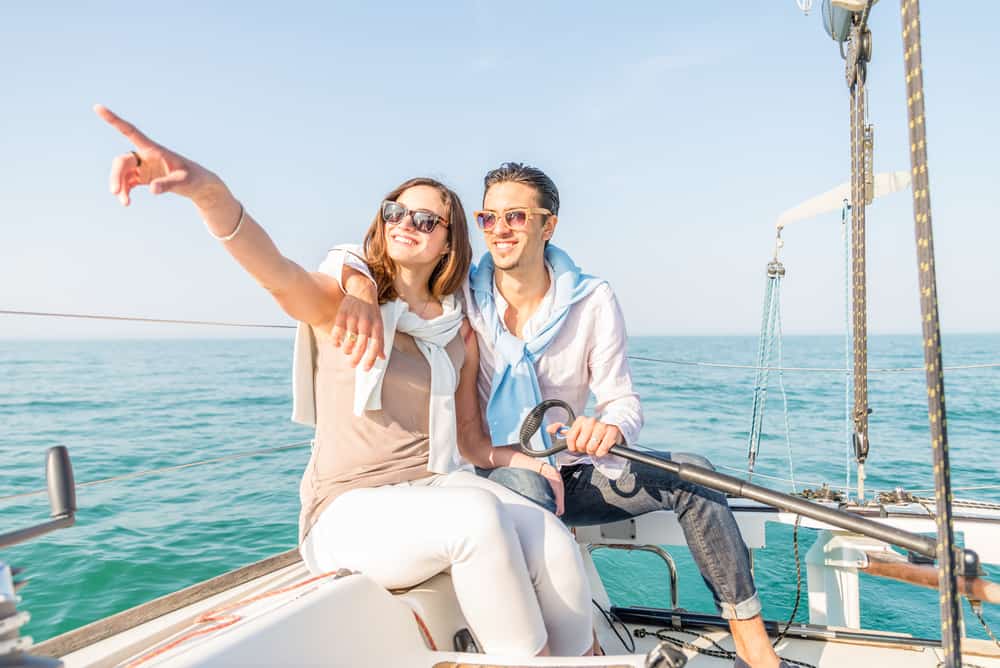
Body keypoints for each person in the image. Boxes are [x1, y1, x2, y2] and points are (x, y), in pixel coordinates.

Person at [94, 106, 595, 658]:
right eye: (395, 212)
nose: (406, 223)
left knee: (552, 543)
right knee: (478, 518)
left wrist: (524, 461)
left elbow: (472, 442)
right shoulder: (342, 304)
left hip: (433, 487)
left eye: (426, 220)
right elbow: (273, 269)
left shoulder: (457, 331)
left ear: (449, 243)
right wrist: (207, 191)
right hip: (346, 508)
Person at [333, 162, 790, 668]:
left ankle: (755, 649)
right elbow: (361, 255)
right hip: (493, 473)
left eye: (516, 217)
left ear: (548, 226)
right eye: (488, 218)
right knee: (526, 493)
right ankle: (564, 646)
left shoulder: (593, 299)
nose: (499, 230)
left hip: (574, 472)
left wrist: (609, 425)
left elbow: (621, 398)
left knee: (695, 475)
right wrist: (358, 289)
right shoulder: (458, 294)